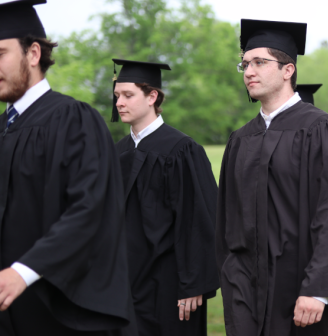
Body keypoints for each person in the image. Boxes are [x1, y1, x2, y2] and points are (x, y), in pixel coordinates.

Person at [216, 19, 328, 336]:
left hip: (309, 296)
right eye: (245, 64)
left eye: (259, 62)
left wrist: (318, 288)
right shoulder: (241, 140)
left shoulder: (321, 128)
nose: (249, 71)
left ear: (288, 70)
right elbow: (229, 225)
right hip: (250, 297)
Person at [0, 1, 135, 335]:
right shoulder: (4, 128)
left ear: (33, 54)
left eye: (0, 53)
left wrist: (24, 271)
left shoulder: (73, 119)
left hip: (58, 310)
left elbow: (91, 208)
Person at [112, 59, 219, 335]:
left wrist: (193, 284)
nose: (119, 103)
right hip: (126, 283)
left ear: (152, 97)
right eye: (116, 96)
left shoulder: (181, 150)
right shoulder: (117, 153)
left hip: (171, 285)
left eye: (128, 95)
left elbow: (199, 219)